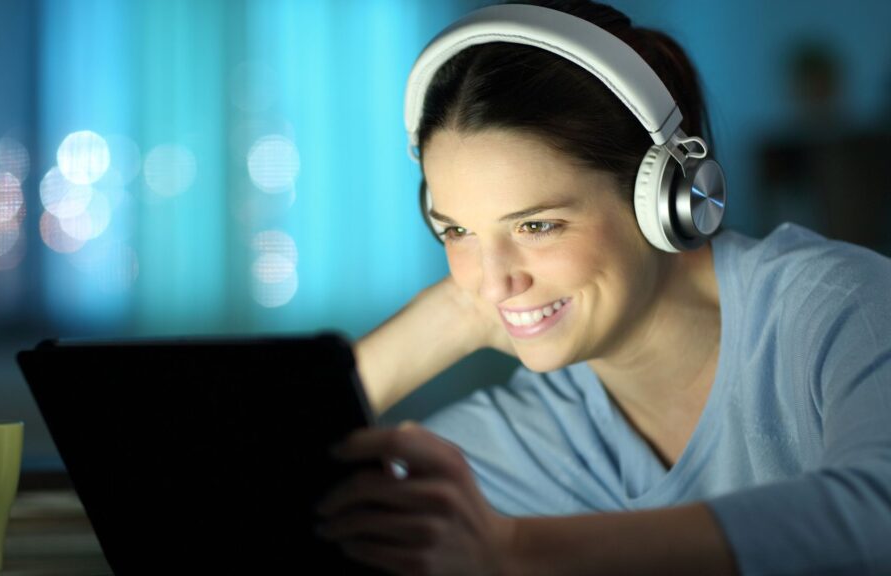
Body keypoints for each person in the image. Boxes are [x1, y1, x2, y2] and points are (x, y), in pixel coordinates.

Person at [313, 1, 891, 575]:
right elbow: (257, 495)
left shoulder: (841, 305)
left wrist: (512, 551)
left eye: (537, 225)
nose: (493, 282)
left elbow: (874, 512)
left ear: (669, 202)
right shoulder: (530, 434)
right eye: (456, 230)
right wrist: (449, 317)